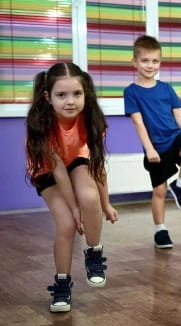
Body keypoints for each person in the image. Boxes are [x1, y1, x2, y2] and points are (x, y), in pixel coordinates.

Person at [25, 62, 119, 313]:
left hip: (75, 159)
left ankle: (94, 251)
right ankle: (62, 284)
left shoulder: (91, 120)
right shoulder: (43, 125)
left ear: (85, 93)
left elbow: (97, 164)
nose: (70, 101)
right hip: (47, 170)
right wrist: (74, 210)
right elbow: (57, 171)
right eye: (61, 95)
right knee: (66, 224)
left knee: (91, 198)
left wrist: (106, 202)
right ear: (48, 97)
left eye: (77, 94)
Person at [124, 35, 181, 249]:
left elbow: (179, 115)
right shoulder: (131, 92)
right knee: (159, 190)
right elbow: (138, 123)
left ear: (160, 63)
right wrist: (149, 149)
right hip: (156, 147)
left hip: (175, 137)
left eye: (155, 61)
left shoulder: (166, 88)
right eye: (145, 60)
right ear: (135, 62)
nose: (150, 65)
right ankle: (161, 231)